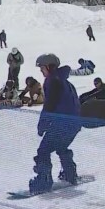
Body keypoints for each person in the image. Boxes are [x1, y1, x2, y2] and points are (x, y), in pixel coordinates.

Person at [29, 53, 81, 194]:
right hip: (73, 124)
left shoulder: (53, 82)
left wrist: (42, 125)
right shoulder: (64, 81)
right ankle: (70, 174)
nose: (41, 70)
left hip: (63, 124)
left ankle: (43, 181)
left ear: (49, 67)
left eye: (42, 67)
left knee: (43, 151)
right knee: (61, 146)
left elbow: (49, 106)